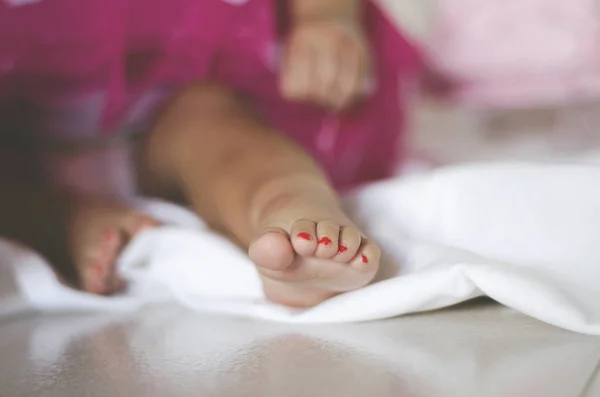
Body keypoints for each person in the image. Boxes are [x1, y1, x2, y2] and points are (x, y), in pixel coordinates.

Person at [0, 0, 421, 307]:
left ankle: (286, 211)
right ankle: (60, 222)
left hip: (177, 69)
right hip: (20, 97)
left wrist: (325, 16)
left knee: (220, 129)